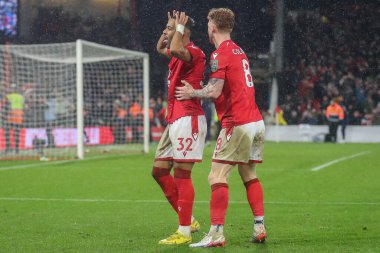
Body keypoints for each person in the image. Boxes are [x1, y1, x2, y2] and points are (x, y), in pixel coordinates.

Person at [176, 8, 267, 247]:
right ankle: (259, 225)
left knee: (216, 175)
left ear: (213, 27)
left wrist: (192, 92)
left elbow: (214, 90)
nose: (207, 28)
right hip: (256, 121)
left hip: (237, 123)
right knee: (249, 174)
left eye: (208, 24)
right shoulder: (239, 50)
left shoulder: (220, 54)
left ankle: (216, 232)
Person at [152, 10, 207, 245]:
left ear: (183, 31)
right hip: (174, 118)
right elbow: (161, 49)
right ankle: (189, 220)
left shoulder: (192, 52)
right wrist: (168, 32)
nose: (165, 30)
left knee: (182, 174)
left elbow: (175, 49)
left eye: (169, 27)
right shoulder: (177, 52)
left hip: (188, 118)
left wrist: (179, 29)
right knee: (159, 170)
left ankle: (184, 231)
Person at [4, 83, 25, 154]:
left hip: (11, 115)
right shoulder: (21, 97)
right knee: (17, 133)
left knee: (7, 132)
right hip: (19, 116)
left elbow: (5, 105)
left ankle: (8, 148)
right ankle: (17, 149)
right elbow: (24, 106)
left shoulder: (9, 96)